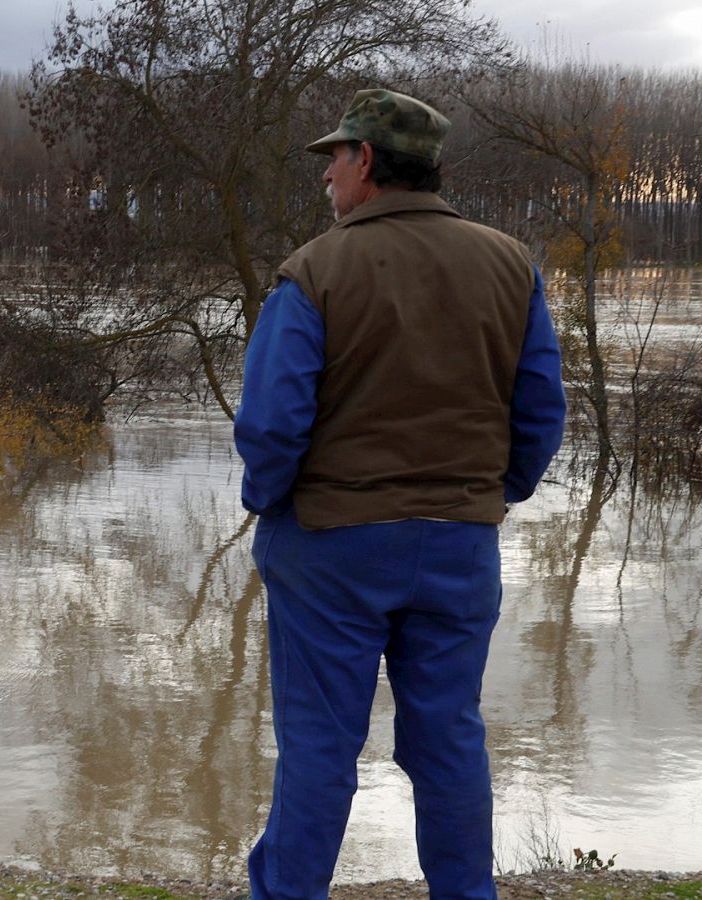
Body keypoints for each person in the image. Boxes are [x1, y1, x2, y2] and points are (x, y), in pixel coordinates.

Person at [233, 89, 567, 900]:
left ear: (369, 164)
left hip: (332, 547)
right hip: (458, 547)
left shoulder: (314, 272)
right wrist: (482, 495)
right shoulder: (509, 264)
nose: (329, 180)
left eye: (336, 160)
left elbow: (272, 428)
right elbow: (541, 412)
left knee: (319, 746)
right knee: (449, 740)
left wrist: (270, 505)